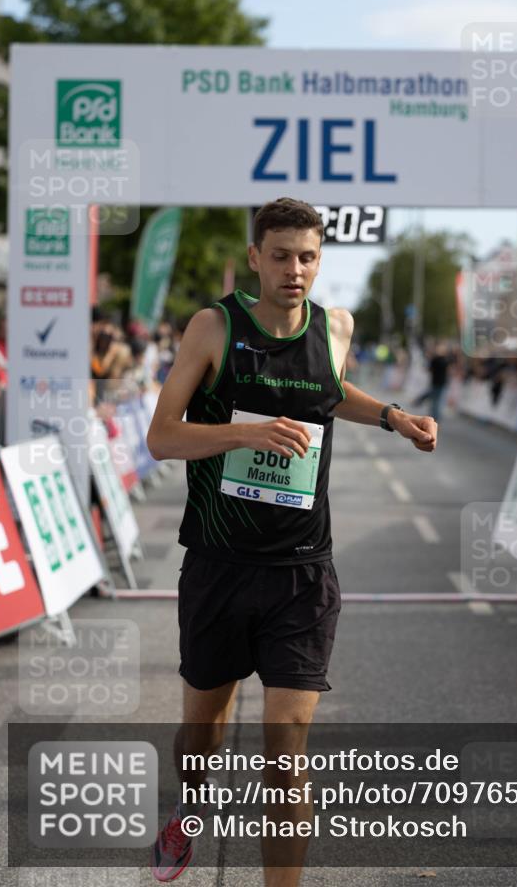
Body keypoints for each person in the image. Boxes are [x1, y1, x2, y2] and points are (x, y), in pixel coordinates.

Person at [146, 198, 438, 885]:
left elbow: (325, 392)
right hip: (219, 565)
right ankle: (189, 809)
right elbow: (161, 436)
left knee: (286, 748)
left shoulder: (334, 326)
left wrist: (393, 415)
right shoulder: (214, 327)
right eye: (279, 255)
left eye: (307, 256)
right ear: (254, 258)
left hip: (302, 572)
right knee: (202, 738)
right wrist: (246, 431)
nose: (294, 269)